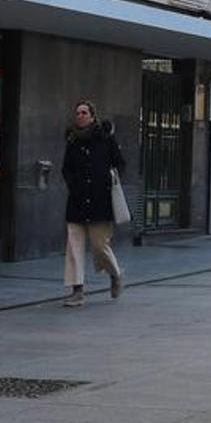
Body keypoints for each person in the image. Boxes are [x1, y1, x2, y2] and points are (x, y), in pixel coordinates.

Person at [61, 100, 125, 307]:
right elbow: (66, 169)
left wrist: (108, 179)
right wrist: (73, 185)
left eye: (84, 112)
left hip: (100, 201)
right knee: (74, 247)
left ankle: (115, 274)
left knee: (100, 246)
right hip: (77, 202)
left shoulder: (105, 139)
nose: (79, 115)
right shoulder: (72, 141)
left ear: (92, 115)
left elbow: (120, 163)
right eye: (77, 112)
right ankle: (77, 290)